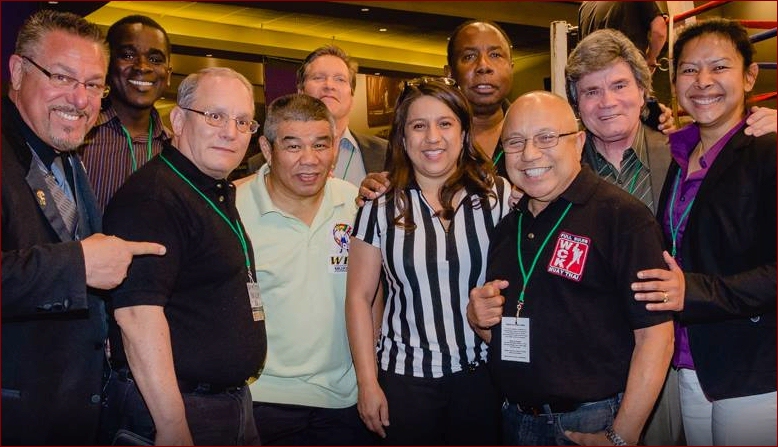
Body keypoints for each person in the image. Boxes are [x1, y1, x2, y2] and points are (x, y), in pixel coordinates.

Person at [467, 90, 674, 446]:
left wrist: (622, 435)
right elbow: (524, 330)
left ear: (577, 143)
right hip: (514, 418)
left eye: (546, 138)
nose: (529, 154)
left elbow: (656, 336)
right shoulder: (506, 228)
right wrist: (478, 320)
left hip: (591, 421)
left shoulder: (622, 218)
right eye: (515, 142)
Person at [1, 10, 166, 445]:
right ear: (17, 71)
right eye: (62, 77)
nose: (79, 100)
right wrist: (78, 266)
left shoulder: (67, 155)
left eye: (93, 85)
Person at [100, 67, 266, 445]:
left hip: (222, 405)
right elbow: (137, 316)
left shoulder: (206, 188)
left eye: (243, 121)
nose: (231, 132)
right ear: (177, 120)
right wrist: (172, 424)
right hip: (177, 409)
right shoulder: (154, 197)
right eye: (215, 116)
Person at [632, 18, 776, 446]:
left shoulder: (767, 152)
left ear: (749, 76)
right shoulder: (678, 153)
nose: (703, 81)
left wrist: (691, 292)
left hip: (753, 367)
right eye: (690, 70)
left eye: (720, 67)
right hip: (691, 360)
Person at [346, 77, 512, 445]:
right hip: (405, 381)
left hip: (483, 377)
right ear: (403, 139)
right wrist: (367, 383)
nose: (432, 137)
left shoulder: (498, 196)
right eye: (419, 126)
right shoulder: (379, 207)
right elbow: (359, 297)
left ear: (464, 134)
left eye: (445, 123)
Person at [236, 93, 374, 445]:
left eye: (320, 145)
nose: (309, 160)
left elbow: (373, 295)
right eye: (293, 146)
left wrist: (369, 380)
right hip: (263, 400)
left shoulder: (355, 204)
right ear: (267, 150)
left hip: (344, 400)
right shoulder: (233, 209)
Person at [78, 14, 172, 213]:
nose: (142, 67)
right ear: (106, 66)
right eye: (128, 56)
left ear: (168, 74)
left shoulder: (177, 149)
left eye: (155, 59)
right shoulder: (77, 138)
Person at [578, 1, 667, 73]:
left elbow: (580, 50)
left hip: (593, 76)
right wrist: (651, 58)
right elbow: (659, 32)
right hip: (625, 71)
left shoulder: (585, 5)